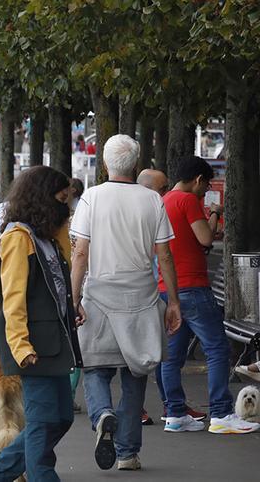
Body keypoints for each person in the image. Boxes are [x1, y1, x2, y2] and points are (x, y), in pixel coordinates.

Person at [69, 134, 182, 471]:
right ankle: (127, 453)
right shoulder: (152, 200)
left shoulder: (91, 198)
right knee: (136, 374)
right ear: (136, 164)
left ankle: (102, 412)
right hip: (142, 297)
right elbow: (164, 255)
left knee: (93, 366)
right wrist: (173, 301)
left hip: (100, 295)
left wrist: (73, 299)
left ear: (104, 164)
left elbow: (80, 253)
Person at [0, 166, 82, 482]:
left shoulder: (44, 236)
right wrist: (20, 345)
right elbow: (13, 298)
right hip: (33, 344)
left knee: (59, 417)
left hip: (52, 340)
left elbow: (59, 281)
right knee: (45, 421)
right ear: (44, 200)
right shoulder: (20, 239)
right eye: (61, 200)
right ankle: (35, 476)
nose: (67, 207)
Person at [157, 156, 259, 434]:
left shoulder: (164, 200)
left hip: (169, 287)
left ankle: (175, 413)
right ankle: (221, 413)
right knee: (217, 349)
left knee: (172, 355)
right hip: (192, 285)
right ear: (199, 180)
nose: (204, 192)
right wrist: (214, 213)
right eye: (205, 186)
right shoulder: (187, 201)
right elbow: (204, 238)